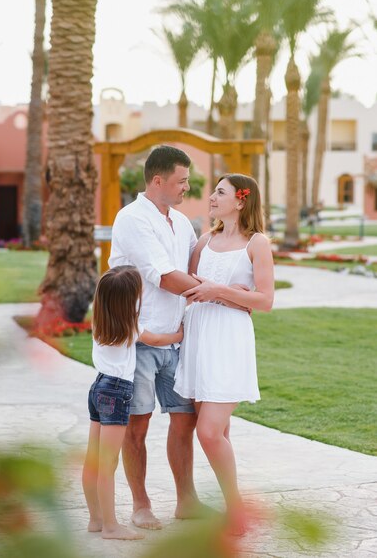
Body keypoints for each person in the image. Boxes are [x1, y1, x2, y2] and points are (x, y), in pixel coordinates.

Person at [108, 145, 205, 529]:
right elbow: (164, 276)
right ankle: (141, 505)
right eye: (182, 180)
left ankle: (187, 501)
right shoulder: (131, 219)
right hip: (142, 342)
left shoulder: (181, 223)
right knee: (138, 425)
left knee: (185, 420)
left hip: (178, 342)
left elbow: (198, 262)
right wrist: (217, 293)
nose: (187, 187)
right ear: (158, 180)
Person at [174, 173, 274, 536]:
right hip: (199, 337)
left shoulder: (257, 243)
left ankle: (236, 511)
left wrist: (223, 292)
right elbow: (186, 285)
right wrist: (213, 290)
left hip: (229, 340)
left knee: (209, 432)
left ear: (241, 200)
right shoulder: (205, 240)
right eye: (214, 192)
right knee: (220, 432)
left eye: (220, 192)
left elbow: (265, 301)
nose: (211, 197)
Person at [82, 265, 183, 540]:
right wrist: (179, 334)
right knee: (108, 464)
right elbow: (160, 339)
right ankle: (111, 527)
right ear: (131, 301)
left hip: (98, 387)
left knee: (94, 460)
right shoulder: (132, 327)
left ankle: (96, 519)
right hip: (117, 391)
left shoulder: (99, 322)